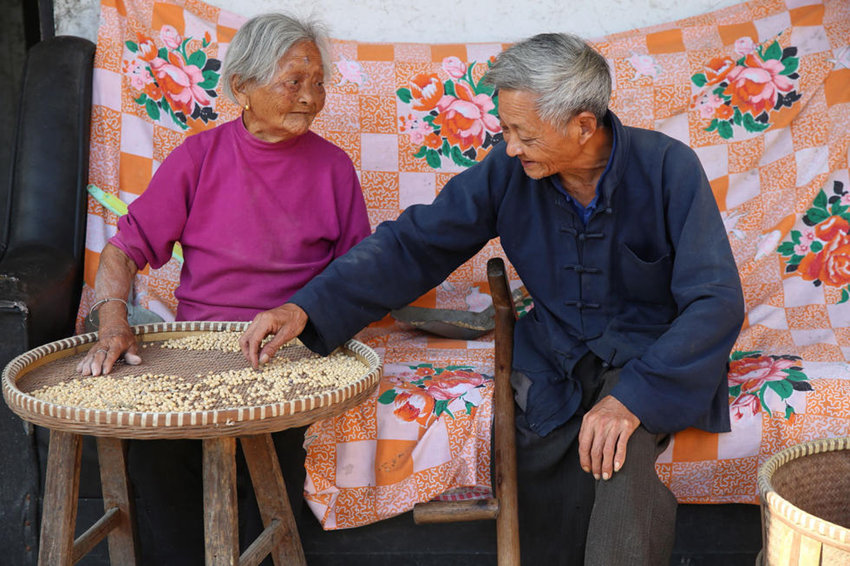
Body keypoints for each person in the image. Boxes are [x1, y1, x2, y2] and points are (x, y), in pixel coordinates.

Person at [240, 33, 745, 565]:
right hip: (556, 354)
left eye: (521, 132)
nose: (509, 146)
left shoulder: (669, 169)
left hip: (650, 355)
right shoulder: (510, 172)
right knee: (542, 449)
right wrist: (306, 307)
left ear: (582, 126)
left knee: (618, 454)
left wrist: (632, 400)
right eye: (505, 129)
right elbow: (416, 244)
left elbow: (715, 302)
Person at [75, 13, 370, 563]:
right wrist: (112, 320)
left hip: (291, 349)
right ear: (242, 88)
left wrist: (308, 317)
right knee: (158, 449)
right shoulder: (199, 157)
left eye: (319, 83)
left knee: (266, 458)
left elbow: (359, 276)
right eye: (294, 82)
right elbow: (122, 251)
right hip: (200, 347)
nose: (311, 98)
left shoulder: (334, 169)